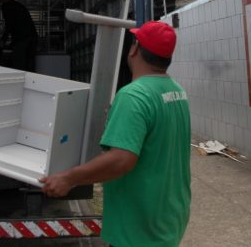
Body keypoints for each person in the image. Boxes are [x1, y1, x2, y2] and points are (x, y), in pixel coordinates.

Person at [40, 21, 191, 247]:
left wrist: (69, 178)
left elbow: (121, 160)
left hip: (139, 226)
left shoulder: (133, 96)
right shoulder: (177, 91)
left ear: (135, 49)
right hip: (168, 215)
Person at [0, 0, 38, 71]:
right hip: (30, 37)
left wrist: (3, 40)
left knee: (18, 62)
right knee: (28, 61)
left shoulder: (6, 6)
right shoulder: (19, 6)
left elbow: (9, 24)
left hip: (21, 38)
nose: (0, 1)